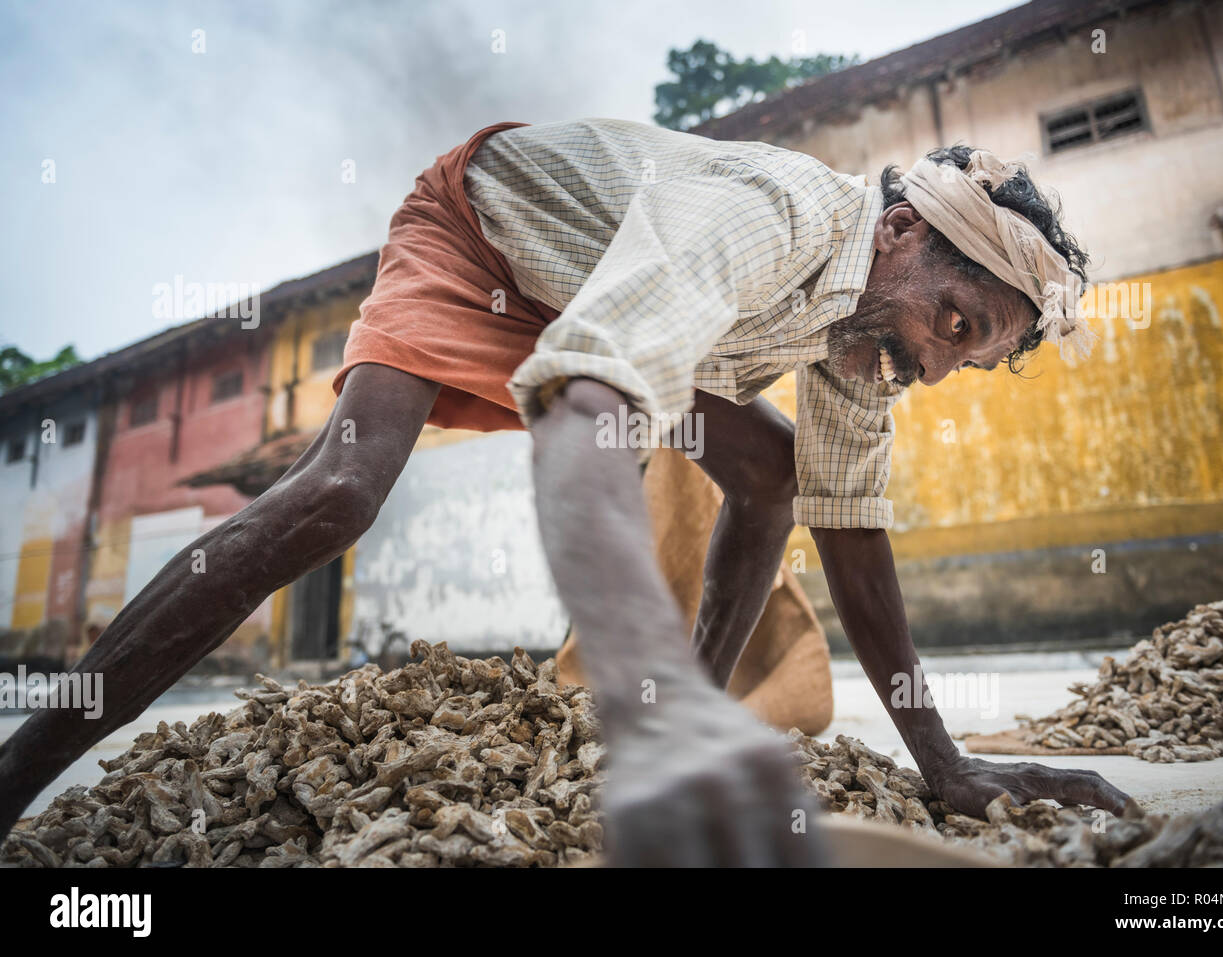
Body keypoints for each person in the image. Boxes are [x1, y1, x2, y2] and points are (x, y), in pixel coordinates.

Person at [0, 119, 1134, 864]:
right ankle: (22, 769)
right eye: (954, 323)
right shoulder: (773, 215)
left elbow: (851, 530)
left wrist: (945, 764)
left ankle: (684, 701)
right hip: (481, 246)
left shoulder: (861, 336)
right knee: (339, 491)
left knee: (775, 471)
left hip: (608, 304)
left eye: (965, 358)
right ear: (899, 233)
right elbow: (586, 414)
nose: (936, 365)